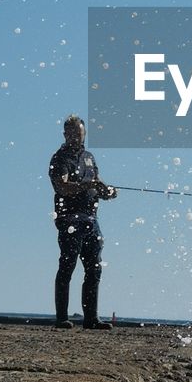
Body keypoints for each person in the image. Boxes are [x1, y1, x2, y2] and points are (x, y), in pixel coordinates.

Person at [49, 115, 117, 330]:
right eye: (71, 134)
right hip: (69, 220)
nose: (75, 138)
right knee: (67, 266)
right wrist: (87, 185)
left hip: (91, 220)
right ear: (64, 135)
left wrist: (107, 191)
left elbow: (96, 184)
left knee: (94, 268)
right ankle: (61, 318)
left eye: (79, 134)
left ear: (84, 134)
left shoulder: (89, 157)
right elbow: (62, 187)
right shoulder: (59, 159)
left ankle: (91, 318)